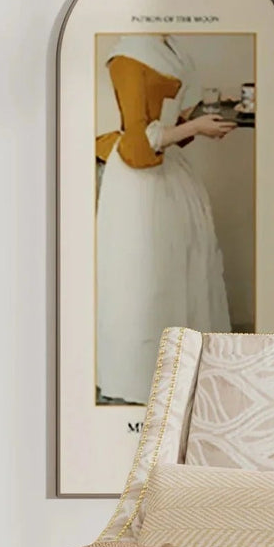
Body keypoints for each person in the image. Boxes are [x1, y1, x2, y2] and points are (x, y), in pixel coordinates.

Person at [95, 35, 234, 404]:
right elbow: (138, 145)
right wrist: (196, 127)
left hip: (172, 176)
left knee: (180, 270)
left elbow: (173, 133)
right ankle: (138, 380)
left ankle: (184, 376)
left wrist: (204, 121)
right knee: (146, 276)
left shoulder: (174, 49)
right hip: (138, 184)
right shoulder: (127, 55)